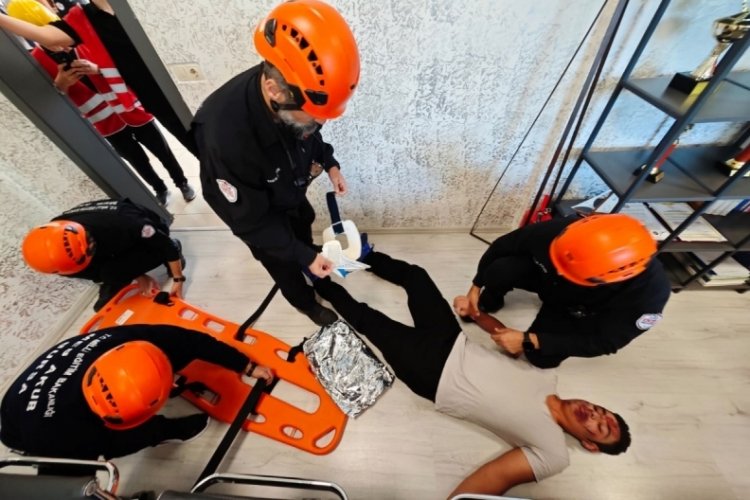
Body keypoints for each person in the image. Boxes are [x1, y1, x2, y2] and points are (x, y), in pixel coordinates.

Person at [312, 251, 631, 497]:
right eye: (602, 411)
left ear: (590, 444)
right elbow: (506, 336)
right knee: (416, 276)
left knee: (367, 318)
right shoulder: (547, 377)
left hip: (432, 373)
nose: (595, 414)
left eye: (600, 428)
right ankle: (351, 254)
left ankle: (318, 280)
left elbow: (496, 477)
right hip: (451, 339)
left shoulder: (554, 453)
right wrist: (476, 313)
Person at [191, 0, 360, 326]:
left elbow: (309, 137)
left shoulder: (296, 95)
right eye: (314, 116)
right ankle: (305, 303)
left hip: (287, 190)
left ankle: (311, 264)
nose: (319, 123)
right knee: (281, 262)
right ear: (274, 90)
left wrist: (330, 163)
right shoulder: (226, 139)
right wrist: (300, 255)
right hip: (254, 213)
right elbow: (252, 222)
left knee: (302, 228)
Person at [0, 0, 196, 205]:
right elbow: (51, 95)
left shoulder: (83, 33)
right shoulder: (40, 55)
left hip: (130, 105)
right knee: (136, 159)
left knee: (161, 149)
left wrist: (97, 69)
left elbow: (119, 63)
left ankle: (181, 182)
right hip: (103, 121)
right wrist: (61, 83)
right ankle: (159, 188)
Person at [0, 324, 274, 460]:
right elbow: (110, 448)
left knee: (182, 348)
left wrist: (246, 365)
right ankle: (164, 432)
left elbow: (195, 341)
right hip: (22, 426)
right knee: (132, 437)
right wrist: (149, 430)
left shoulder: (127, 339)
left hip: (30, 396)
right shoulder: (62, 435)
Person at [465, 214, 672, 368]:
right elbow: (503, 245)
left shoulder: (649, 295)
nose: (561, 272)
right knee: (499, 270)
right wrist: (476, 286)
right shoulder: (567, 232)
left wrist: (531, 340)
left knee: (541, 359)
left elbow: (606, 342)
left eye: (571, 271)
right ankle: (490, 300)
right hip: (546, 279)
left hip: (576, 308)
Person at [21, 198, 186, 311]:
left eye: (89, 242)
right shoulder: (61, 260)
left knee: (162, 247)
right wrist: (139, 275)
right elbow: (93, 271)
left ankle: (172, 251)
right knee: (108, 274)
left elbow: (165, 244)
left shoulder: (127, 223)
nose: (91, 245)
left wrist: (178, 280)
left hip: (143, 229)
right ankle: (117, 277)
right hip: (109, 241)